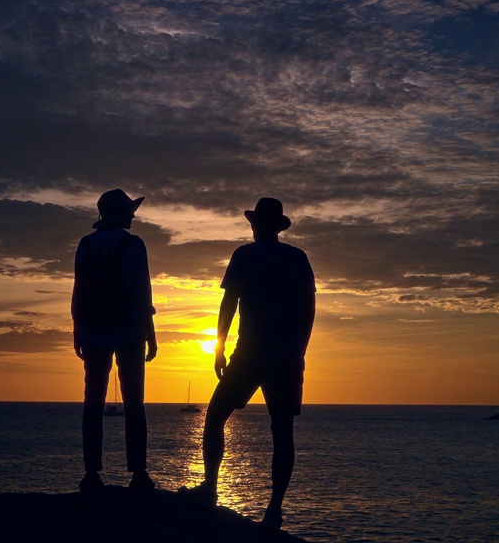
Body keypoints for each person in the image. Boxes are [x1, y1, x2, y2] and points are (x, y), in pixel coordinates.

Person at [180, 197, 316, 529]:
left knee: (215, 417)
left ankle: (210, 490)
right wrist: (300, 349)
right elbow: (308, 308)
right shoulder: (296, 258)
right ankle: (273, 511)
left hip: (250, 353)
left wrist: (219, 347)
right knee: (282, 432)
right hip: (285, 355)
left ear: (256, 225)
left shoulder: (246, 255)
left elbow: (228, 302)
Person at [71, 188, 158, 492]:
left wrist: (77, 330)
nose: (134, 216)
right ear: (122, 215)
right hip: (130, 331)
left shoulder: (86, 245)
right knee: (134, 402)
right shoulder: (134, 245)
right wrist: (151, 334)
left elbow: (78, 290)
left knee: (93, 401)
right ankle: (139, 473)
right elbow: (142, 292)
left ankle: (91, 473)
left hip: (93, 330)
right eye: (130, 212)